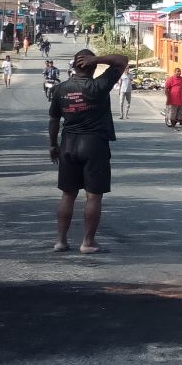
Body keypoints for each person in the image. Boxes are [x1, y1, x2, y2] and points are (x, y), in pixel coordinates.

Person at [49, 49, 128, 254]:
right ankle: (87, 242)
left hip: (68, 144)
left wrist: (52, 145)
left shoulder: (60, 89)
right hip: (94, 145)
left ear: (74, 66)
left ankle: (60, 241)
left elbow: (54, 119)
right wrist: (99, 59)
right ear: (92, 67)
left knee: (68, 195)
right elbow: (122, 61)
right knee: (93, 196)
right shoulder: (99, 85)